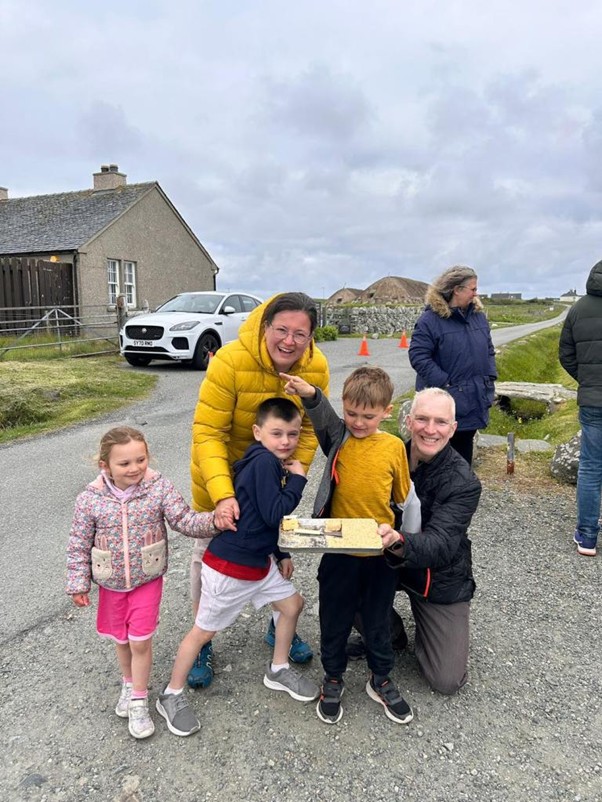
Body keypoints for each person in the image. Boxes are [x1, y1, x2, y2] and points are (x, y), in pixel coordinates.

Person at [187, 292, 330, 689]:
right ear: (265, 326)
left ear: (311, 336)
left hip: (273, 476)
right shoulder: (230, 361)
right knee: (207, 555)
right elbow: (208, 431)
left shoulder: (316, 366)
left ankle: (278, 623)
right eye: (281, 330)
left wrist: (294, 470)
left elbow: (306, 430)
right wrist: (222, 493)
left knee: (269, 544)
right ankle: (202, 639)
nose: (289, 341)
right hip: (223, 474)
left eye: (300, 334)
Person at [156, 398, 319, 737]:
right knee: (203, 632)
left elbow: (261, 518)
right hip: (230, 567)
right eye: (277, 433)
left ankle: (278, 669)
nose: (286, 441)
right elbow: (276, 512)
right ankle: (170, 695)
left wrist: (280, 554)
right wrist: (300, 480)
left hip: (257, 563)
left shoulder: (267, 462)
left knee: (292, 605)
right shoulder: (264, 464)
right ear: (258, 432)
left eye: (292, 434)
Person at [282, 366, 417, 726]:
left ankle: (382, 678)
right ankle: (333, 677)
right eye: (352, 413)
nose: (358, 422)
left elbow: (403, 499)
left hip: (378, 555)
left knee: (377, 620)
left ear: (386, 412)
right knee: (334, 619)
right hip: (339, 552)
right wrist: (310, 393)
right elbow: (323, 416)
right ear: (344, 406)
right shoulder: (338, 437)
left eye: (368, 416)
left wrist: (400, 536)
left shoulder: (393, 448)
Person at [65, 426, 218, 740]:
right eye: (124, 464)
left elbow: (183, 520)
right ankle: (127, 682)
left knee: (140, 641)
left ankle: (139, 699)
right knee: (121, 640)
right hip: (110, 583)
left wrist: (215, 521)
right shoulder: (89, 499)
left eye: (141, 460)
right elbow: (78, 543)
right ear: (104, 466)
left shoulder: (158, 487)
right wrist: (78, 582)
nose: (134, 468)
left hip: (147, 579)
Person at [377, 388, 482, 695]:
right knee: (341, 578)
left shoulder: (464, 482)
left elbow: (442, 544)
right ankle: (392, 632)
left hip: (437, 576)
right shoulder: (386, 454)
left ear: (453, 428)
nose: (430, 429)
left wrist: (397, 539)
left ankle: (427, 629)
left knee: (446, 680)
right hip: (387, 561)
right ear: (408, 421)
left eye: (440, 422)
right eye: (422, 419)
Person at [408, 265, 497, 465]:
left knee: (462, 457)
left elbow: (489, 350)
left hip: (474, 398)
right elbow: (418, 355)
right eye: (472, 289)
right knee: (434, 456)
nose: (476, 293)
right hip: (442, 405)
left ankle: (459, 493)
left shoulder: (478, 317)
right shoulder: (430, 320)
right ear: (457, 290)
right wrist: (445, 385)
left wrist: (489, 378)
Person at [559, 259, 602, 557]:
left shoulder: (577, 309)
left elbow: (566, 353)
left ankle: (587, 537)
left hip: (592, 400)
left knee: (590, 466)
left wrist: (586, 380)